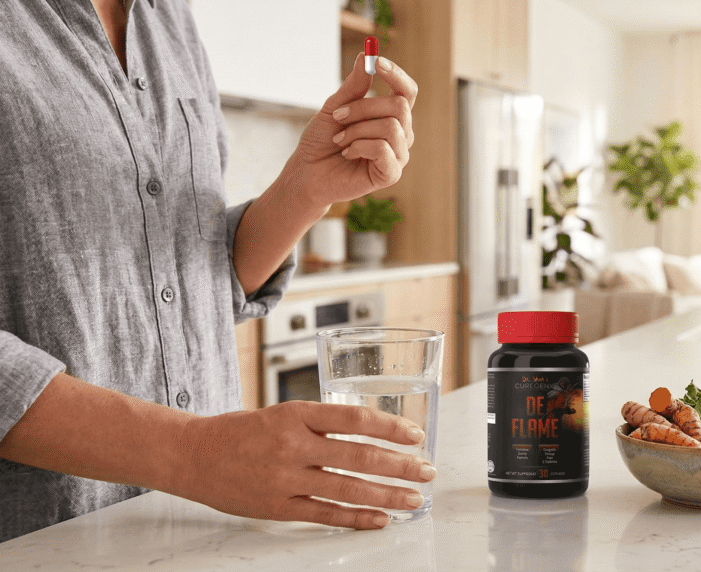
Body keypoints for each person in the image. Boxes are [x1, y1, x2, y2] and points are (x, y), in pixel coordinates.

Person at [0, 0, 427, 541]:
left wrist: (307, 188)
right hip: (45, 540)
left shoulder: (169, 18)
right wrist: (191, 455)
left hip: (206, 532)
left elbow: (188, 280)